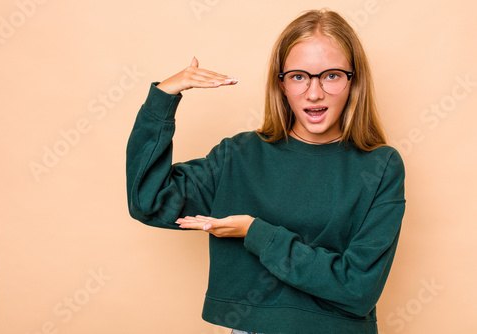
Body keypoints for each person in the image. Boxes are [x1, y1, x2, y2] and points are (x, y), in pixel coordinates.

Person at [126, 8, 405, 334]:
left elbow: (357, 289)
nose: (314, 93)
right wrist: (162, 100)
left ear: (353, 81)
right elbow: (149, 201)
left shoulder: (381, 166)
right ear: (281, 84)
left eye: (331, 75)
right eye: (299, 76)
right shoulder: (240, 156)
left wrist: (257, 233)